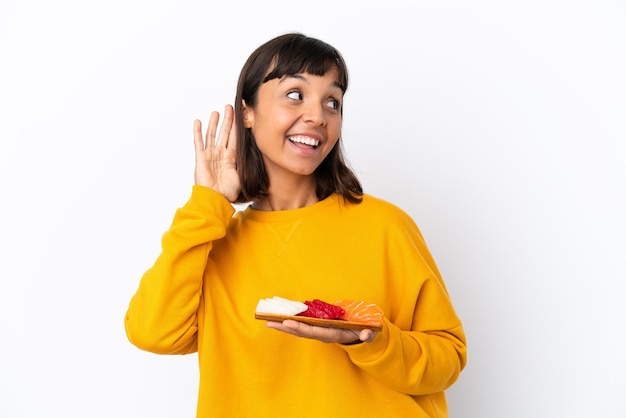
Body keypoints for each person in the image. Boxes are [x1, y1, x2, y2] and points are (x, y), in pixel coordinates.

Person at [125, 32, 467, 417]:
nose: (318, 116)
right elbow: (153, 333)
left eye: (332, 102)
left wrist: (370, 341)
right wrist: (209, 203)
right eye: (294, 94)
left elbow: (448, 358)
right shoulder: (212, 244)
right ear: (248, 113)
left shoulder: (386, 226)